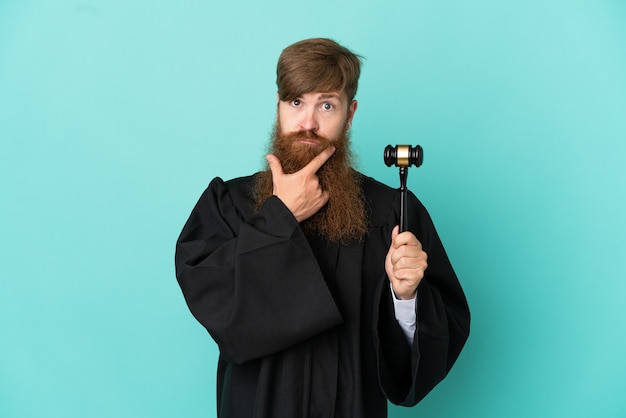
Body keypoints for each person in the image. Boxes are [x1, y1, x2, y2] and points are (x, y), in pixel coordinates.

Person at [175, 38, 470, 418]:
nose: (308, 123)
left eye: (327, 104)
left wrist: (406, 296)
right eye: (296, 102)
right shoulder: (230, 203)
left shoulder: (391, 212)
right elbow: (220, 310)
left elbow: (433, 344)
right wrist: (279, 216)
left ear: (350, 114)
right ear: (278, 107)